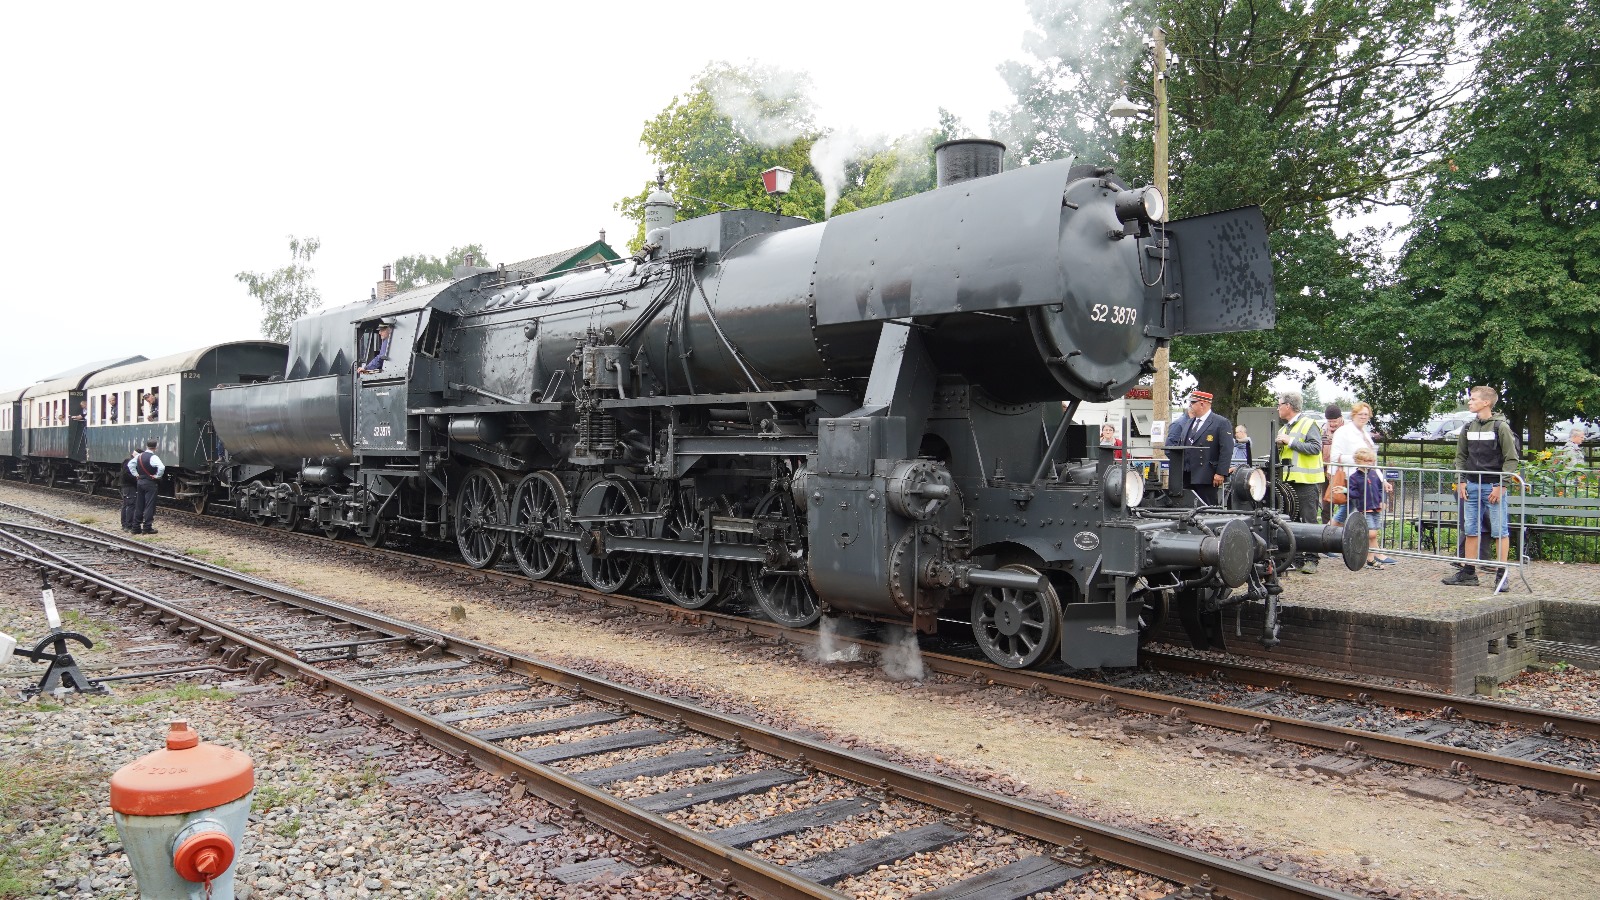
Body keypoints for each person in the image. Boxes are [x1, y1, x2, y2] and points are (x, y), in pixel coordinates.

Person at [1443, 386, 1519, 586]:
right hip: (1472, 487)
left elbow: (1511, 459)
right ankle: (1469, 573)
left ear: (1486, 402)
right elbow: (1460, 457)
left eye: (1473, 399)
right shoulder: (1468, 427)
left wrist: (1501, 486)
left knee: (1500, 530)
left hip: (1493, 486)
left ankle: (1502, 576)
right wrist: (1461, 480)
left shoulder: (1501, 427)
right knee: (1470, 530)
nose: (1469, 402)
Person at [1275, 389, 1326, 573]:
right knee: (1291, 521)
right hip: (1288, 482)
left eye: (1279, 404)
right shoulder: (1283, 428)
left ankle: (1312, 560)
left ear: (1288, 406)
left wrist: (1289, 442)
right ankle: (1295, 559)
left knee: (1309, 521)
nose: (1278, 408)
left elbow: (1315, 447)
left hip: (1306, 481)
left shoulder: (1308, 424)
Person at [1165, 389, 1234, 505]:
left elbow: (1226, 449)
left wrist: (1221, 473)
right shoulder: (1189, 422)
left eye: (1193, 403)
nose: (1190, 406)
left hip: (1206, 475)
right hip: (1187, 474)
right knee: (1185, 506)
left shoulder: (1220, 422)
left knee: (1207, 507)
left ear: (1202, 404)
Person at [1348, 447, 1393, 569]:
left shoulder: (1374, 474)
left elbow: (1380, 489)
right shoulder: (1354, 477)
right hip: (1365, 509)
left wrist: (1383, 501)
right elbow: (1354, 494)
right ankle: (1369, 557)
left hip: (1376, 508)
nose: (1369, 463)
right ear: (1359, 461)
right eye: (1366, 461)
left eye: (1371, 461)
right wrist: (1346, 491)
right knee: (1371, 533)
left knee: (1374, 533)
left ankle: (1370, 559)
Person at [127, 439, 166, 535]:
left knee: (139, 504)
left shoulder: (139, 456)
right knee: (149, 505)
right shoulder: (153, 457)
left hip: (140, 482)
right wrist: (157, 476)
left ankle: (135, 527)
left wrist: (136, 474)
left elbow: (130, 464)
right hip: (150, 482)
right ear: (156, 447)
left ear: (147, 446)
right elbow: (162, 467)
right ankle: (147, 527)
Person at [119, 451, 139, 531]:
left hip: (126, 486)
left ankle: (124, 524)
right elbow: (127, 475)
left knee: (126, 505)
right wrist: (137, 478)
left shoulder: (126, 461)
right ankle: (128, 525)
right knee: (131, 505)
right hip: (129, 486)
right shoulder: (130, 462)